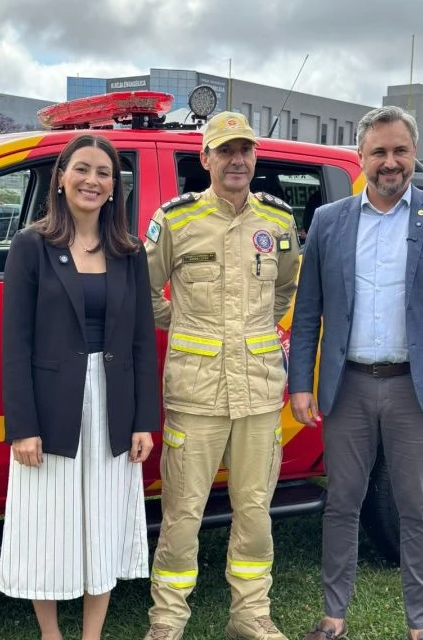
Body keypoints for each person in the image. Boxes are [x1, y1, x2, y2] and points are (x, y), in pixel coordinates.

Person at [288, 105, 423, 640]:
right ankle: (334, 616)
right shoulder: (329, 222)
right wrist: (301, 383)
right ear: (360, 158)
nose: (389, 162)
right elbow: (308, 313)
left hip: (413, 390)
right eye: (379, 152)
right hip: (347, 386)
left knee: (416, 510)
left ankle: (420, 625)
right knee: (342, 504)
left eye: (399, 151)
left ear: (414, 154)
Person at [0, 134, 160, 640]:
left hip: (112, 404)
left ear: (115, 187)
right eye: (83, 169)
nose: (93, 180)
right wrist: (22, 427)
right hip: (50, 411)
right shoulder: (31, 246)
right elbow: (15, 344)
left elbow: (140, 343)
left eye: (104, 173)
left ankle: (92, 634)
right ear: (61, 177)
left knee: (102, 523)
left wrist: (144, 422)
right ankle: (52, 634)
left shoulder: (128, 252)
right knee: (46, 524)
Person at [142, 112, 300, 640]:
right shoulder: (177, 220)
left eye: (245, 151)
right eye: (225, 151)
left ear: (255, 158)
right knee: (183, 513)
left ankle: (250, 614)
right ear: (205, 158)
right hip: (197, 393)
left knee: (255, 510)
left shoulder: (277, 222)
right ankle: (167, 620)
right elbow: (144, 291)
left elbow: (284, 291)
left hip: (257, 392)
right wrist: (184, 324)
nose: (237, 160)